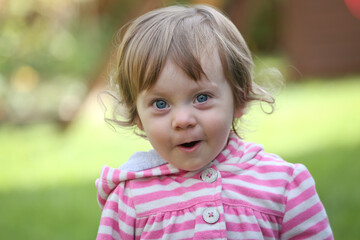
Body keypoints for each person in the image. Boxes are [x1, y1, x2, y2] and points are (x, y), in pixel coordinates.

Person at [96, 4, 333, 240]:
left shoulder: (283, 186)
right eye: (160, 104)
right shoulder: (129, 199)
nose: (182, 120)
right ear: (137, 116)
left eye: (201, 98)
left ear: (239, 99)